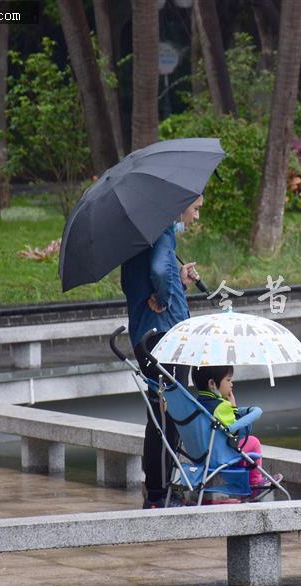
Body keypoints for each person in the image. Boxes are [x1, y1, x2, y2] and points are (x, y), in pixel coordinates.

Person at [120, 195, 203, 509]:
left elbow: (139, 279)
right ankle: (160, 492)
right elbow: (157, 268)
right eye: (194, 210)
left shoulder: (137, 237)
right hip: (166, 336)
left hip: (146, 333)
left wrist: (176, 281)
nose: (194, 217)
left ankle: (157, 487)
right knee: (169, 414)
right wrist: (167, 295)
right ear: (177, 206)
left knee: (159, 412)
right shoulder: (163, 231)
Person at [191, 365, 281, 491]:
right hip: (219, 456)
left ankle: (241, 481)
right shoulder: (221, 406)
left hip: (201, 455)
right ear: (212, 383)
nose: (231, 384)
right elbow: (236, 430)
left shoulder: (195, 404)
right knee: (253, 442)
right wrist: (233, 406)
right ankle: (255, 481)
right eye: (228, 380)